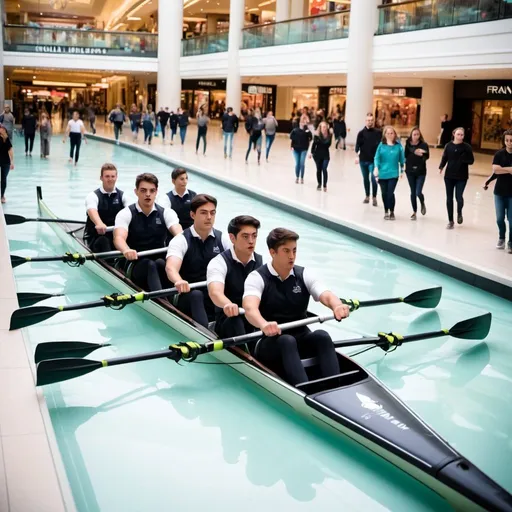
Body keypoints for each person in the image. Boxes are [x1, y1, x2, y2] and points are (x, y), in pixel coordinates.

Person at [242, 228, 350, 385]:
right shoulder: (257, 277)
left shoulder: (304, 274)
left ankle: (334, 386)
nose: (291, 256)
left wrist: (337, 305)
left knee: (322, 336)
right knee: (287, 341)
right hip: (269, 341)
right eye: (286, 251)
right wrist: (263, 324)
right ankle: (305, 391)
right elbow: (250, 309)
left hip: (300, 337)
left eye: (294, 250)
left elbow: (326, 295)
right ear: (272, 252)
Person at [165, 194, 231, 328]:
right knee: (196, 295)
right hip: (188, 295)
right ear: (192, 215)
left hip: (216, 293)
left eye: (212, 213)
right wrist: (178, 280)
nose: (209, 217)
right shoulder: (180, 240)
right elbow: (171, 268)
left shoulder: (223, 238)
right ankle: (205, 334)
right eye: (204, 213)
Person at [114, 173, 182, 292]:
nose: (148, 194)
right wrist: (126, 250)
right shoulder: (126, 213)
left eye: (152, 191)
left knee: (162, 263)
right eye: (143, 190)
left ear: (156, 192)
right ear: (136, 192)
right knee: (150, 264)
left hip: (159, 259)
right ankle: (162, 301)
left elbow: (179, 234)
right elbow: (118, 238)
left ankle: (173, 296)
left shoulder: (166, 213)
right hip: (135, 263)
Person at [207, 215, 263, 338]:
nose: (251, 241)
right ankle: (247, 355)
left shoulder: (260, 262)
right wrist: (228, 304)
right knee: (235, 319)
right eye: (245, 236)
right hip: (228, 319)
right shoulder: (218, 262)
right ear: (232, 238)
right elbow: (215, 293)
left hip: (253, 317)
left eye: (254, 236)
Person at [84, 163, 129, 253]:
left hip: (117, 234)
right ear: (101, 178)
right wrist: (99, 223)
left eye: (113, 176)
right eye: (107, 176)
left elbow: (131, 211)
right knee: (104, 241)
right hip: (96, 236)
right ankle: (111, 263)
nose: (110, 179)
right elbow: (92, 210)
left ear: (116, 177)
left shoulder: (123, 195)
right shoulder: (93, 196)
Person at [439, 127, 475, 229]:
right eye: (458, 134)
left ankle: (459, 212)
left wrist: (464, 159)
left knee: (459, 197)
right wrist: (441, 166)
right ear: (454, 134)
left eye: (462, 135)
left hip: (462, 176)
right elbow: (445, 157)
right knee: (449, 198)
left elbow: (471, 161)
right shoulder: (448, 146)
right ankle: (450, 221)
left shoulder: (467, 147)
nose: (460, 136)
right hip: (449, 176)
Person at [483, 129, 512, 253]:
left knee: (511, 220)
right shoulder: (499, 154)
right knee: (500, 219)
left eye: (511, 140)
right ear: (504, 141)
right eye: (507, 140)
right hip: (499, 192)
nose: (509, 143)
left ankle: (510, 241)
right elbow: (495, 170)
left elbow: (499, 169)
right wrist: (510, 170)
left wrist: (502, 169)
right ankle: (501, 237)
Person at [374, 125, 405, 220]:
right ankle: (386, 211)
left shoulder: (398, 146)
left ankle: (392, 211)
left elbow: (402, 159)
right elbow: (377, 157)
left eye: (391, 133)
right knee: (384, 193)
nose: (390, 135)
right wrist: (376, 168)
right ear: (385, 134)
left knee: (390, 193)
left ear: (394, 134)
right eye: (388, 133)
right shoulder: (381, 145)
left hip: (393, 173)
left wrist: (402, 171)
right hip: (382, 173)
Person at [355, 113, 382, 206]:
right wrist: (357, 156)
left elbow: (381, 145)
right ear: (365, 121)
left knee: (373, 178)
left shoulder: (378, 132)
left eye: (371, 120)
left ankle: (374, 197)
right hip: (363, 160)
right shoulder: (361, 133)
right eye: (368, 120)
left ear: (373, 121)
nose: (370, 122)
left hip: (373, 160)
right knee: (365, 178)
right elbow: (357, 146)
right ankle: (367, 195)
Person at [404, 127, 429, 220]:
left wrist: (422, 155)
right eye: (414, 134)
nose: (416, 136)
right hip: (410, 171)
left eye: (417, 134)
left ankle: (422, 202)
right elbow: (405, 154)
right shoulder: (408, 143)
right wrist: (414, 152)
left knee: (418, 192)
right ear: (411, 135)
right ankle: (414, 211)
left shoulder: (424, 144)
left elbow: (427, 156)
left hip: (421, 172)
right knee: (413, 192)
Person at [311, 121, 333, 192]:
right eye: (322, 127)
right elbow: (314, 145)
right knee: (318, 170)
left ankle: (325, 185)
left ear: (327, 127)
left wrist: (323, 138)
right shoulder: (317, 135)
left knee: (324, 168)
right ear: (320, 128)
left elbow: (328, 145)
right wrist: (312, 153)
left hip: (326, 155)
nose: (324, 128)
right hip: (317, 155)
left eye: (325, 127)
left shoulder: (329, 135)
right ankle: (319, 184)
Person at [290, 119, 312, 184]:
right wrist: (291, 146)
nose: (302, 123)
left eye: (304, 122)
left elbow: (311, 138)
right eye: (301, 122)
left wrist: (307, 131)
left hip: (304, 149)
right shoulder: (295, 130)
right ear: (299, 123)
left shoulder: (307, 130)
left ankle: (302, 178)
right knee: (297, 163)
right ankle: (297, 177)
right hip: (295, 149)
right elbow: (291, 138)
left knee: (302, 163)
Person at [0, 125, 14, 204]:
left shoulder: (6, 139)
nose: (1, 129)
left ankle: (2, 195)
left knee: (4, 179)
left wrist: (12, 161)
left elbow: (10, 150)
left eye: (2, 129)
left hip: (5, 161)